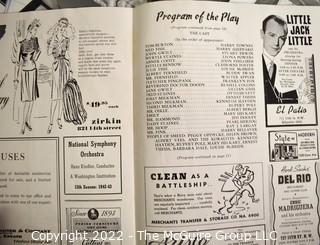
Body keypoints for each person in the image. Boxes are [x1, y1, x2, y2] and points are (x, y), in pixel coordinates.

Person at [261, 15, 298, 104]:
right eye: (272, 35)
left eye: (282, 38)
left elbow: (272, 96)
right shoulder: (258, 62)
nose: (276, 43)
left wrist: (299, 92)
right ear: (262, 34)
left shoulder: (273, 66)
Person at [47, 17, 74, 133]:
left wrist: (71, 69)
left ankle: (59, 119)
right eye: (61, 26)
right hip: (56, 65)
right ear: (58, 26)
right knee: (55, 96)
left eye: (64, 27)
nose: (62, 28)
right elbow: (48, 52)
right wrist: (53, 39)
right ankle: (51, 122)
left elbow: (68, 53)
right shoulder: (52, 39)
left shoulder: (67, 40)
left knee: (62, 95)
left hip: (65, 66)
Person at [14, 19, 41, 134]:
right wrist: (15, 78)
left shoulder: (35, 41)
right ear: (29, 29)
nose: (35, 33)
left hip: (33, 70)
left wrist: (36, 58)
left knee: (32, 99)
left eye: (36, 31)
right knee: (26, 99)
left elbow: (38, 53)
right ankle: (22, 126)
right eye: (34, 30)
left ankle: (27, 120)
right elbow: (17, 62)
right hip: (25, 72)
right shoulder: (22, 43)